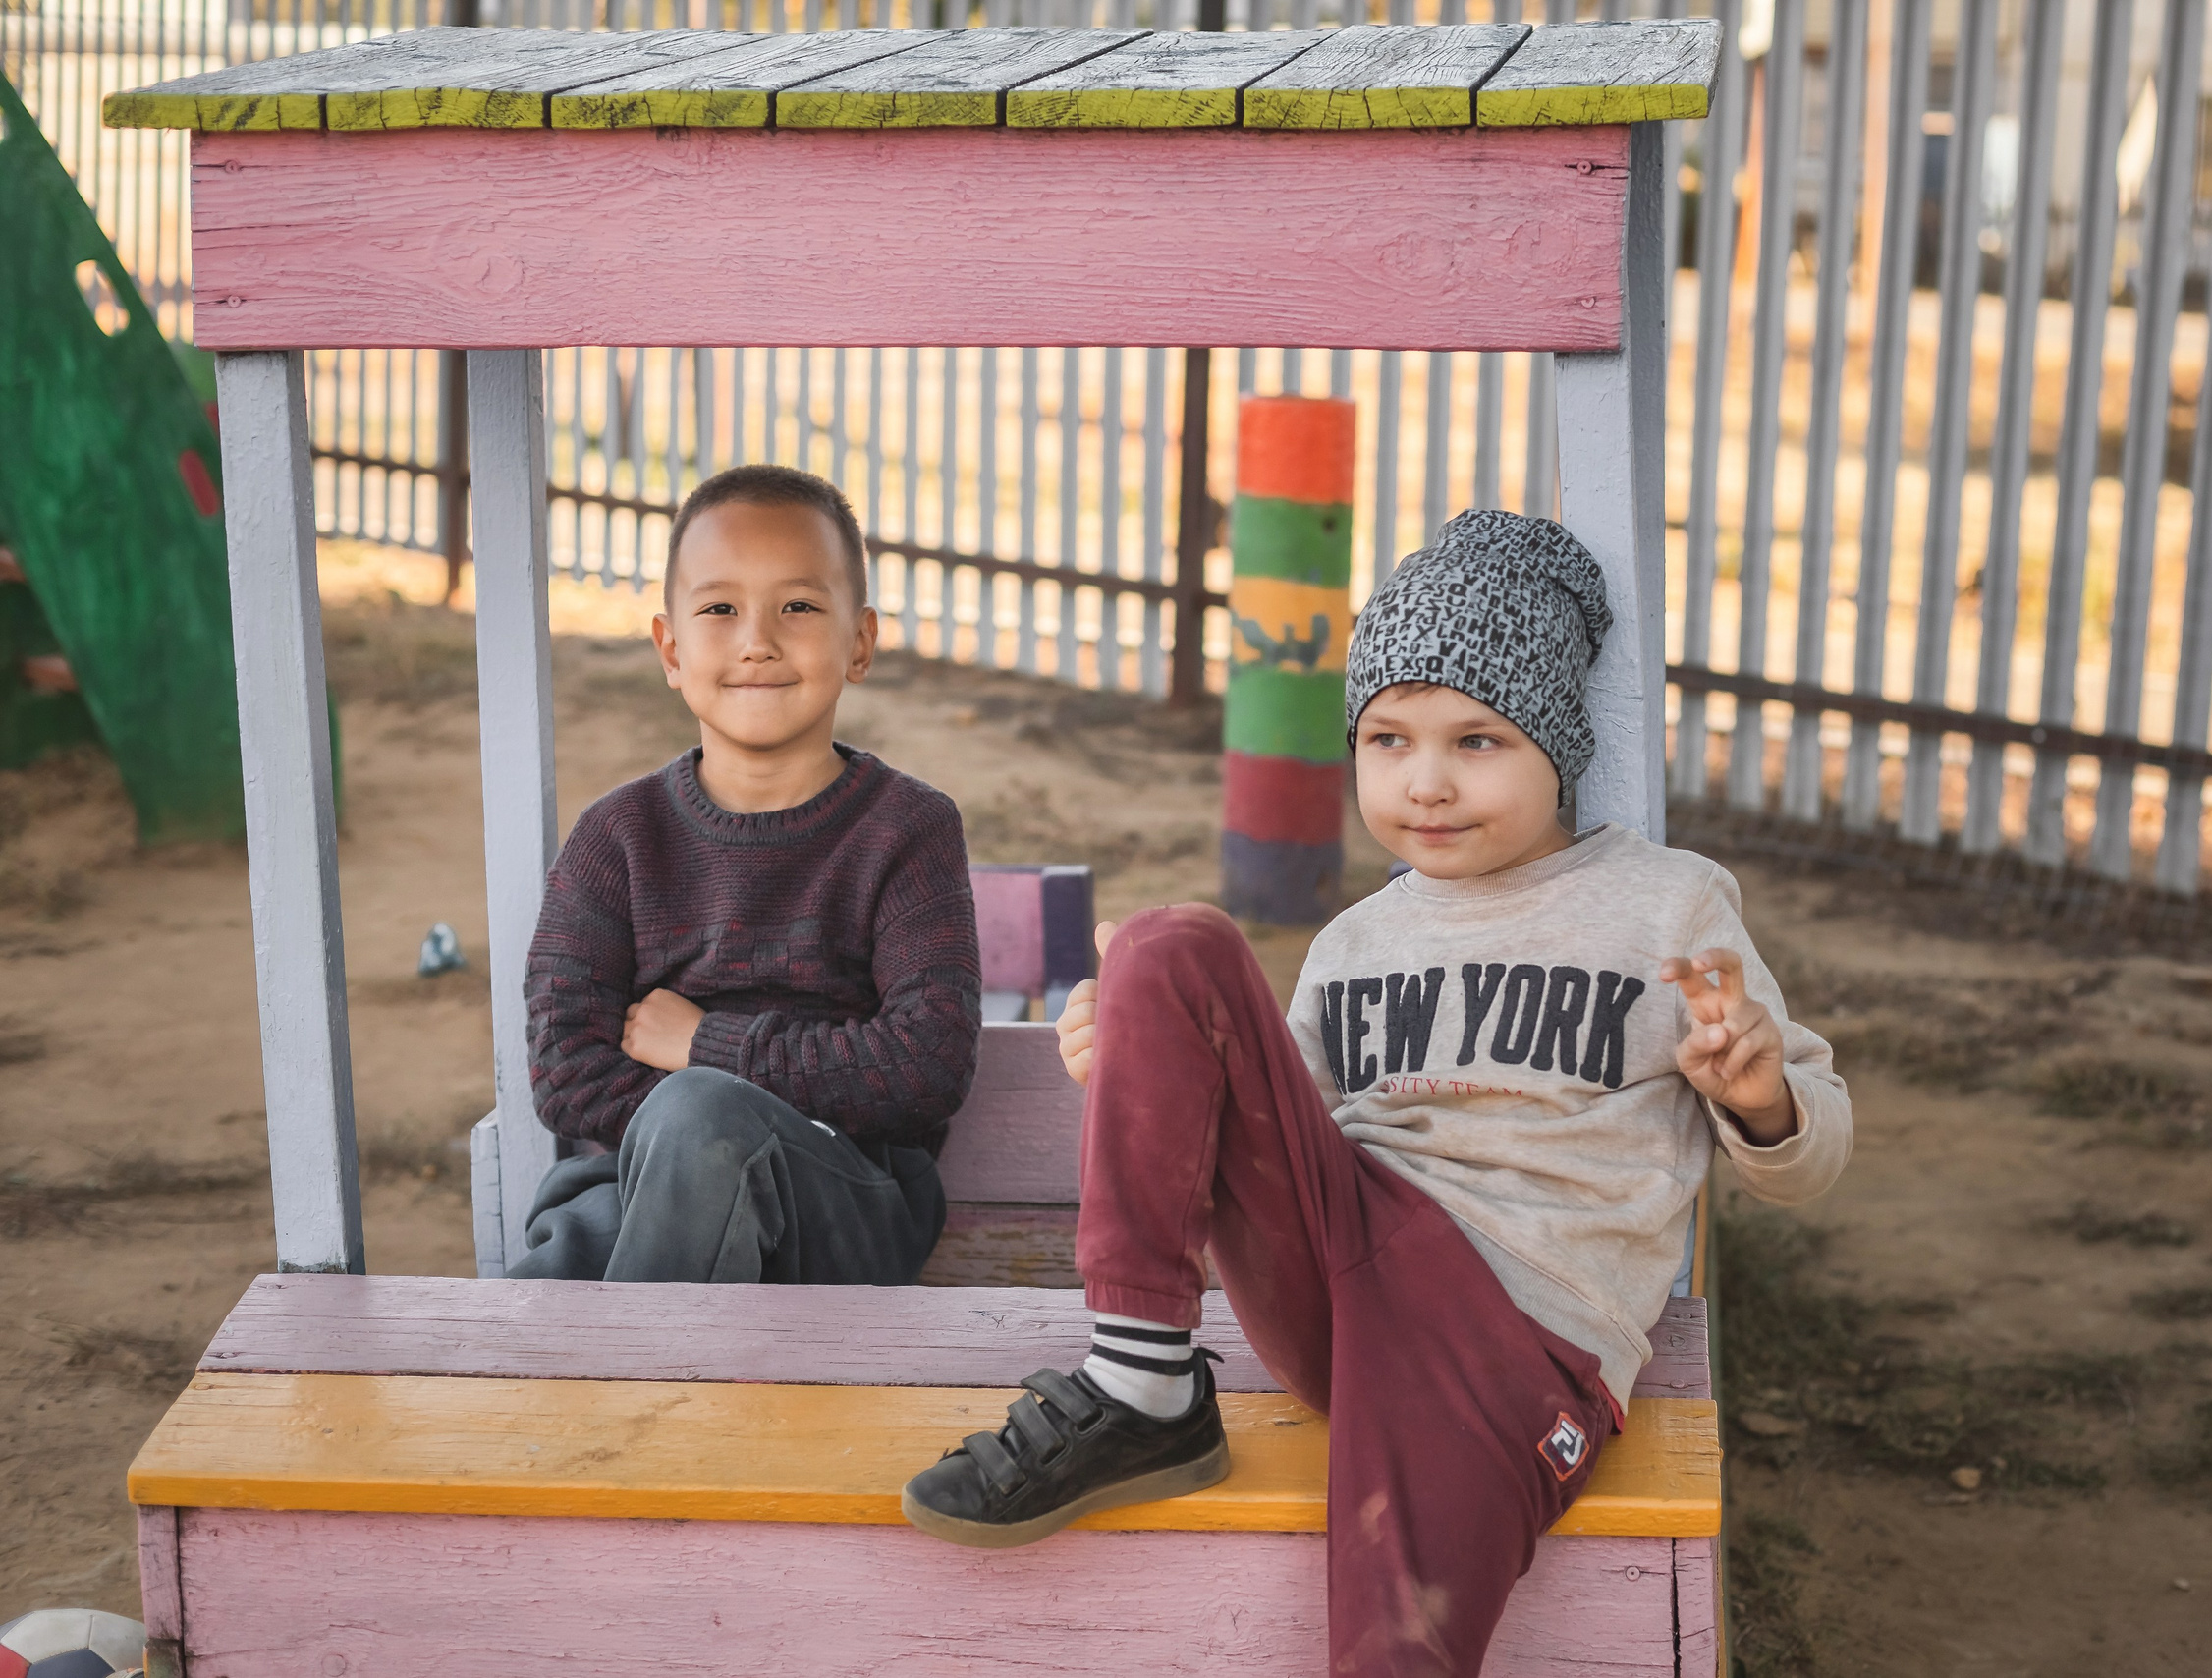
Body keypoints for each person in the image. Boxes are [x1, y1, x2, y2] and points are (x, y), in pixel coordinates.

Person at [900, 509, 1852, 1676]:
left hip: (1513, 1332)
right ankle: (1143, 1381)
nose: (1427, 783)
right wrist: (1149, 1066)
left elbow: (1809, 1153)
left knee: (1396, 1648)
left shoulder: (1667, 908)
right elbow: (1274, 1150)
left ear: (1555, 741)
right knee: (1165, 943)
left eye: (1478, 741)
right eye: (1389, 738)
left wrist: (1760, 1097)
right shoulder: (1357, 938)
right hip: (1341, 1281)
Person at [506, 464, 981, 1286]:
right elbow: (565, 1068)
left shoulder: (908, 830)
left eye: (798, 606)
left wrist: (703, 1049)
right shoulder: (617, 837)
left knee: (698, 1113)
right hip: (632, 1193)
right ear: (671, 647)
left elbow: (926, 1064)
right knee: (575, 1250)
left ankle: (630, 1408)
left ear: (859, 641)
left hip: (844, 1210)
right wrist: (697, 1140)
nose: (757, 639)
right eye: (720, 608)